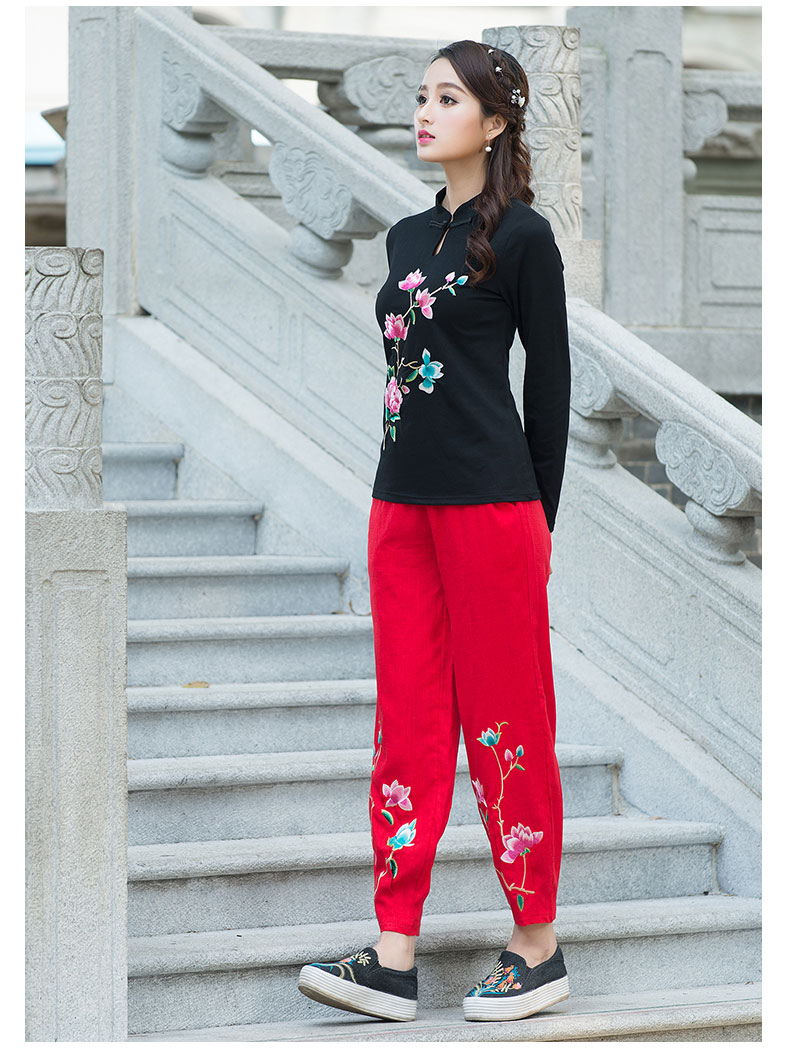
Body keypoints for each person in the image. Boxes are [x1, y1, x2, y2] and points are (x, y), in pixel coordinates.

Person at [298, 38, 571, 1025]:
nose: (424, 112)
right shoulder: (406, 236)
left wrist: (538, 520)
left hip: (493, 506)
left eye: (448, 99)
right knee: (406, 721)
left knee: (506, 720)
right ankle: (393, 952)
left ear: (494, 122)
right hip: (399, 505)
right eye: (422, 96)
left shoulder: (525, 237)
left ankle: (536, 945)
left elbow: (550, 384)